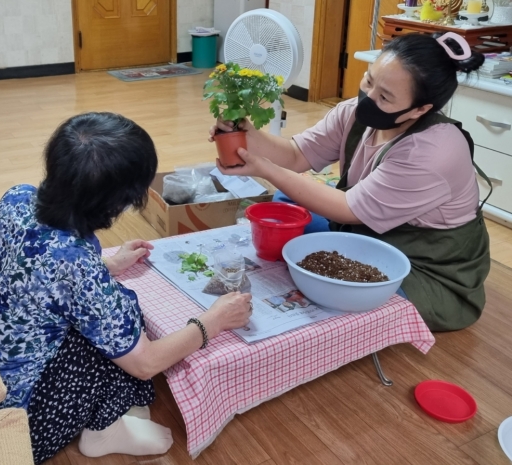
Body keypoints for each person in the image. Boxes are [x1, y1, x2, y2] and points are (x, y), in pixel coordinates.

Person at [0, 112, 252, 464]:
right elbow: (145, 363)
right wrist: (213, 321)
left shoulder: (17, 197)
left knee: (108, 312)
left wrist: (107, 265)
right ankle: (104, 430)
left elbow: (31, 275)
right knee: (125, 317)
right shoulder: (76, 264)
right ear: (118, 202)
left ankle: (110, 417)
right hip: (14, 423)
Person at [210, 32, 490, 332]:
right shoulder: (354, 114)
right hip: (365, 231)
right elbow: (296, 155)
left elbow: (347, 209)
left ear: (420, 109)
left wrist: (265, 169)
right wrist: (246, 135)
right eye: (369, 80)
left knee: (344, 293)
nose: (368, 96)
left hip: (424, 267)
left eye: (385, 97)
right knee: (287, 203)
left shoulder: (433, 151)